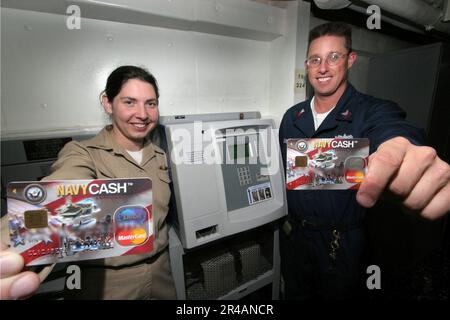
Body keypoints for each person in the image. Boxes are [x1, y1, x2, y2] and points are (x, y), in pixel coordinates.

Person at [279, 22, 450, 300]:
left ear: (350, 60)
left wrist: (402, 147)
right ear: (307, 65)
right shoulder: (291, 118)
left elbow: (393, 130)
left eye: (334, 57)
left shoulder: (371, 111)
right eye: (315, 59)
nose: (323, 68)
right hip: (295, 239)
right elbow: (290, 175)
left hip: (341, 244)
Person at [0, 65, 177, 299]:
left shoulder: (159, 155)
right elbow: (59, 195)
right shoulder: (83, 154)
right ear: (107, 103)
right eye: (129, 102)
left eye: (151, 103)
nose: (142, 114)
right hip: (109, 283)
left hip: (162, 272)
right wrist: (7, 240)